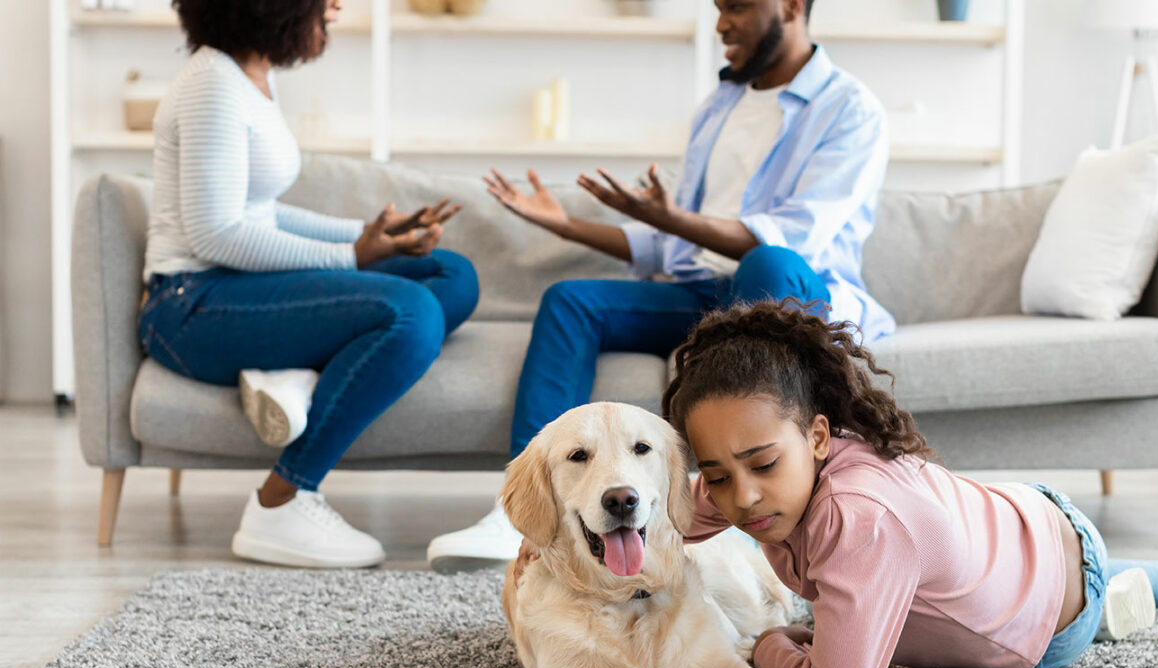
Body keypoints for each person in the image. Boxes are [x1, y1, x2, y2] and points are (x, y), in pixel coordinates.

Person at [427, 0, 895, 570]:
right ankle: (525, 515)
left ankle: (766, 506)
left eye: (737, 8)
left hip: (786, 288)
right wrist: (565, 224)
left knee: (766, 261)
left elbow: (795, 237)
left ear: (792, 6)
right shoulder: (719, 107)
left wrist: (667, 218)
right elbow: (673, 246)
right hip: (704, 293)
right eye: (719, 8)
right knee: (571, 301)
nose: (721, 24)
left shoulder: (850, 109)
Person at [659, 301, 1158, 668]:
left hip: (1050, 625)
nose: (741, 497)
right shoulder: (773, 471)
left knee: (1093, 593)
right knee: (1097, 572)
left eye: (762, 465)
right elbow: (667, 518)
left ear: (818, 437)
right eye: (716, 474)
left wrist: (769, 644)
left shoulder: (861, 520)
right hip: (1027, 525)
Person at [142, 0, 479, 568]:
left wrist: (374, 236)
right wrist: (352, 255)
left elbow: (261, 212)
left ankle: (294, 375)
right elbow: (216, 234)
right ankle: (284, 499)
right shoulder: (211, 87)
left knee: (452, 274)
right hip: (192, 306)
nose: (337, 6)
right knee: (412, 314)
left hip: (240, 289)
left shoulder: (250, 79)